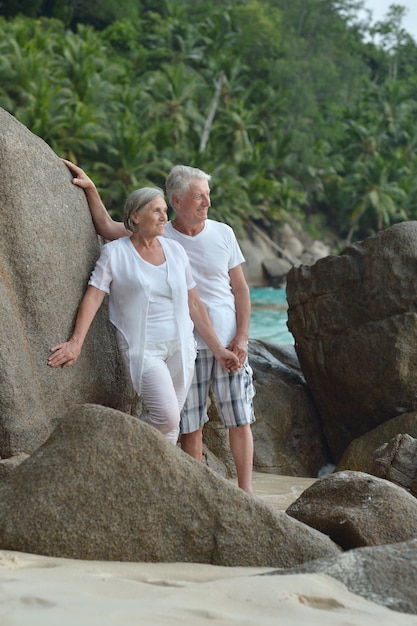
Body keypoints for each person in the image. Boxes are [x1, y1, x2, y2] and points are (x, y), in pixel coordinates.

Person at [62, 160, 256, 494]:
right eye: (198, 196)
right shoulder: (139, 245)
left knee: (205, 421)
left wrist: (231, 342)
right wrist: (92, 189)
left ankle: (221, 491)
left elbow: (218, 297)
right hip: (162, 347)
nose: (206, 202)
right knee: (176, 420)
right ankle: (143, 466)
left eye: (208, 195)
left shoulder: (199, 242)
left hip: (202, 344)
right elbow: (106, 232)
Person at [48, 182, 239, 446]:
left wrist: (218, 349)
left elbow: (194, 303)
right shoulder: (115, 253)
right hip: (143, 349)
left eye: (164, 210)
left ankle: (148, 483)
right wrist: (75, 343)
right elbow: (93, 296)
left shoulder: (175, 250)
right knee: (167, 416)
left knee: (170, 430)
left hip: (181, 348)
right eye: (156, 211)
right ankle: (110, 446)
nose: (164, 217)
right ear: (136, 216)